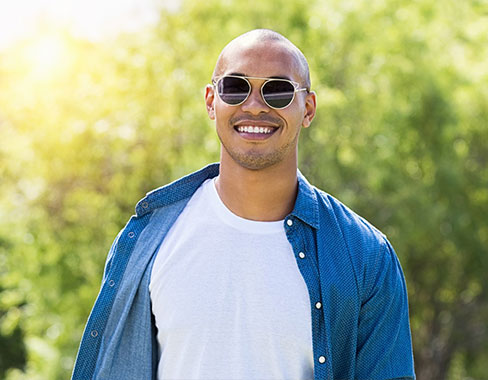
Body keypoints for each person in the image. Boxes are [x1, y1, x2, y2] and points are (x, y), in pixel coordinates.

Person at [71, 29, 415, 380]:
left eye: (277, 91)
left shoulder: (364, 256)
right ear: (210, 102)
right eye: (235, 87)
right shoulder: (147, 240)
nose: (254, 105)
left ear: (307, 108)